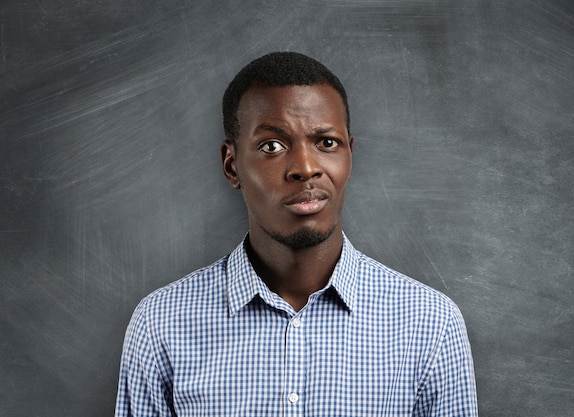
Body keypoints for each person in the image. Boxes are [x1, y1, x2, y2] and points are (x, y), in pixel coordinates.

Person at [115, 51, 478, 416]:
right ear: (232, 166)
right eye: (272, 146)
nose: (306, 168)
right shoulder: (161, 324)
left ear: (350, 156)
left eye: (326, 143)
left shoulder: (430, 323)